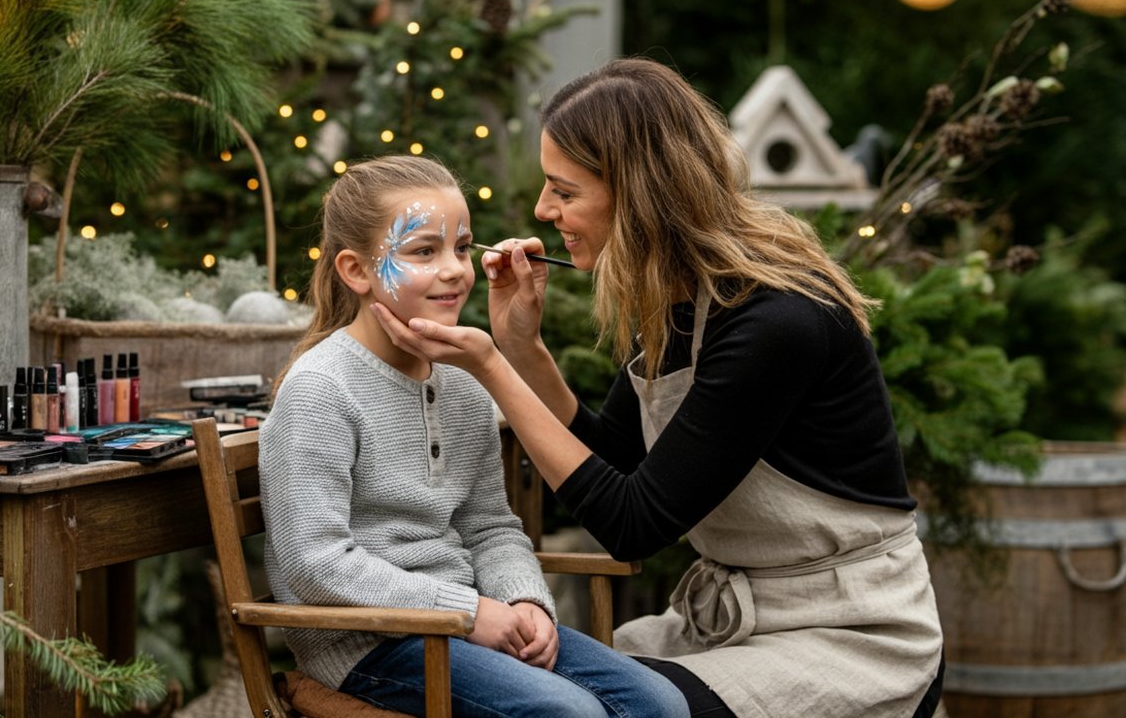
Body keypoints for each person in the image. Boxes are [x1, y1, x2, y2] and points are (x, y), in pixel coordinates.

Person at [371, 59, 946, 717]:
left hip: (847, 636)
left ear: (638, 193)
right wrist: (523, 348)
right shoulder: (682, 301)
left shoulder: (775, 322)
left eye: (564, 191)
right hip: (736, 626)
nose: (542, 210)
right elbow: (616, 458)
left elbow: (632, 524)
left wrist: (493, 370)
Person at [260, 154, 690, 718]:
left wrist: (523, 600)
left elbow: (488, 526)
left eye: (461, 248)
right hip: (369, 643)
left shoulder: (464, 384)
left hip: (469, 623)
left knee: (661, 703)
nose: (454, 270)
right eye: (423, 251)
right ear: (356, 271)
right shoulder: (321, 388)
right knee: (572, 714)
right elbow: (313, 561)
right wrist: (469, 611)